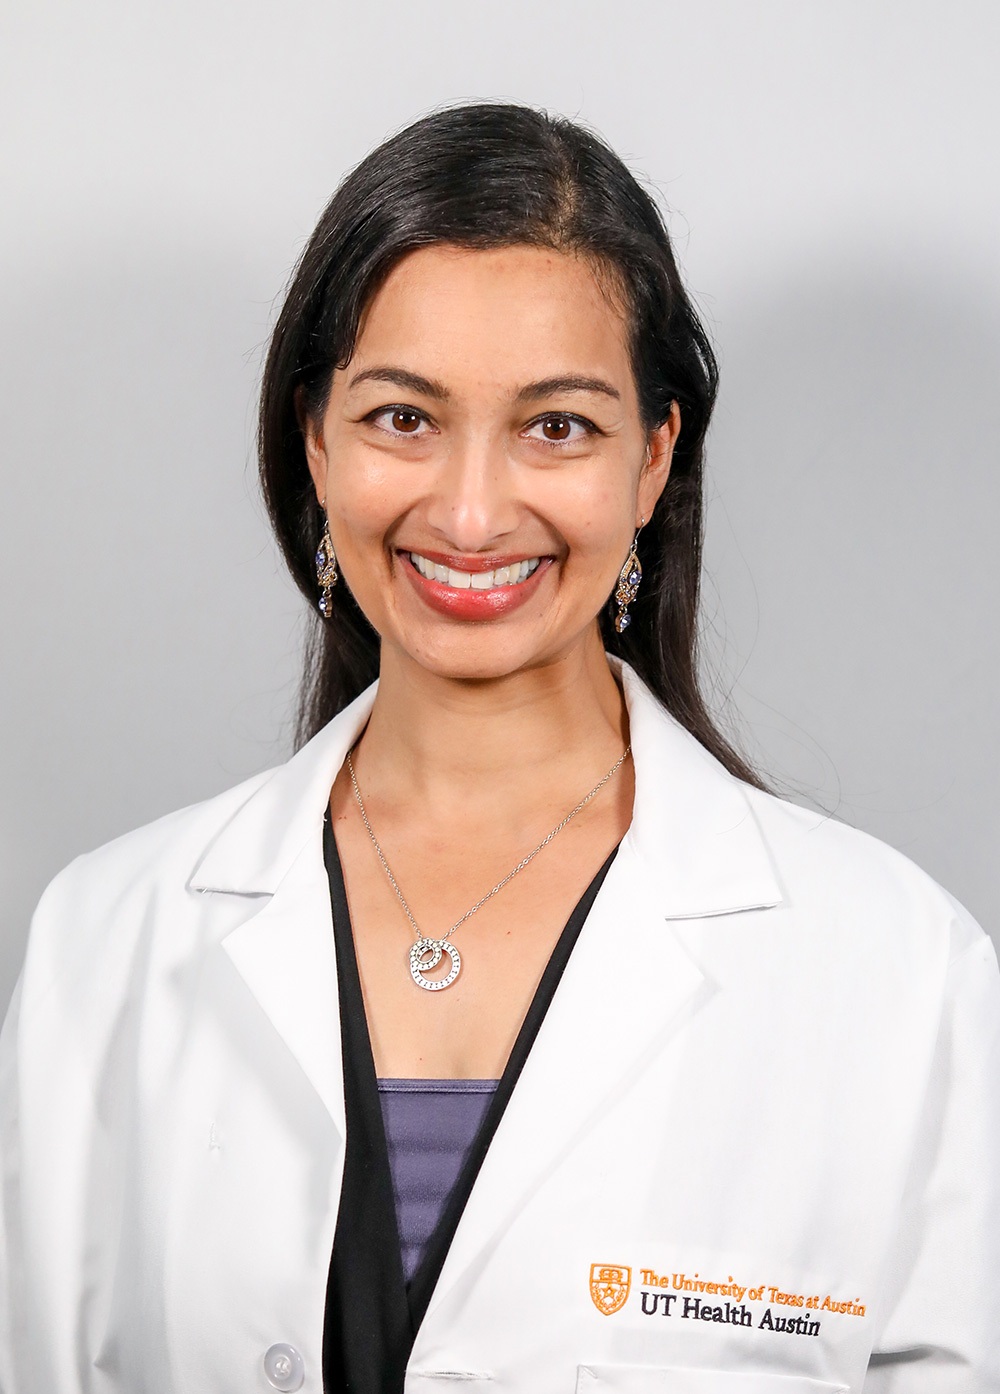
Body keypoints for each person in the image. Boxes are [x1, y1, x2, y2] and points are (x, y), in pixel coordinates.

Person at [1, 102, 997, 1394]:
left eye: (558, 426)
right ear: (316, 441)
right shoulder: (105, 943)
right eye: (402, 418)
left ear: (654, 461)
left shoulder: (900, 976)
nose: (470, 515)